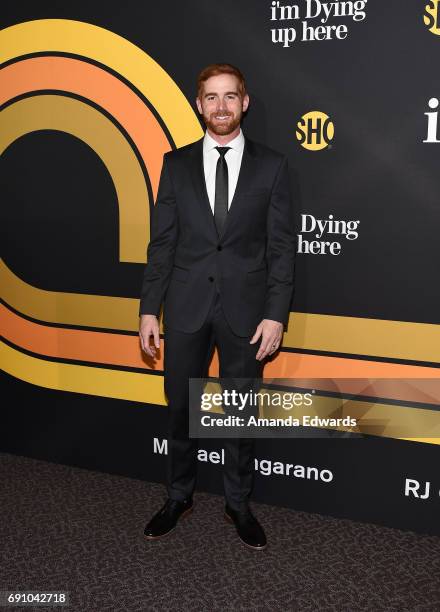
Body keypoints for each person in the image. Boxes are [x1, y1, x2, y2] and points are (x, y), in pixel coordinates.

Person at [139, 63, 295, 550]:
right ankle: (178, 496)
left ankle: (238, 504)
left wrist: (276, 314)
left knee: (238, 414)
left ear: (244, 103)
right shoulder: (175, 164)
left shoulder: (272, 165)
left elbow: (281, 248)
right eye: (212, 97)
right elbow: (162, 244)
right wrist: (149, 310)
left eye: (231, 97)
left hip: (248, 313)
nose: (221, 107)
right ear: (199, 103)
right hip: (184, 307)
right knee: (181, 410)